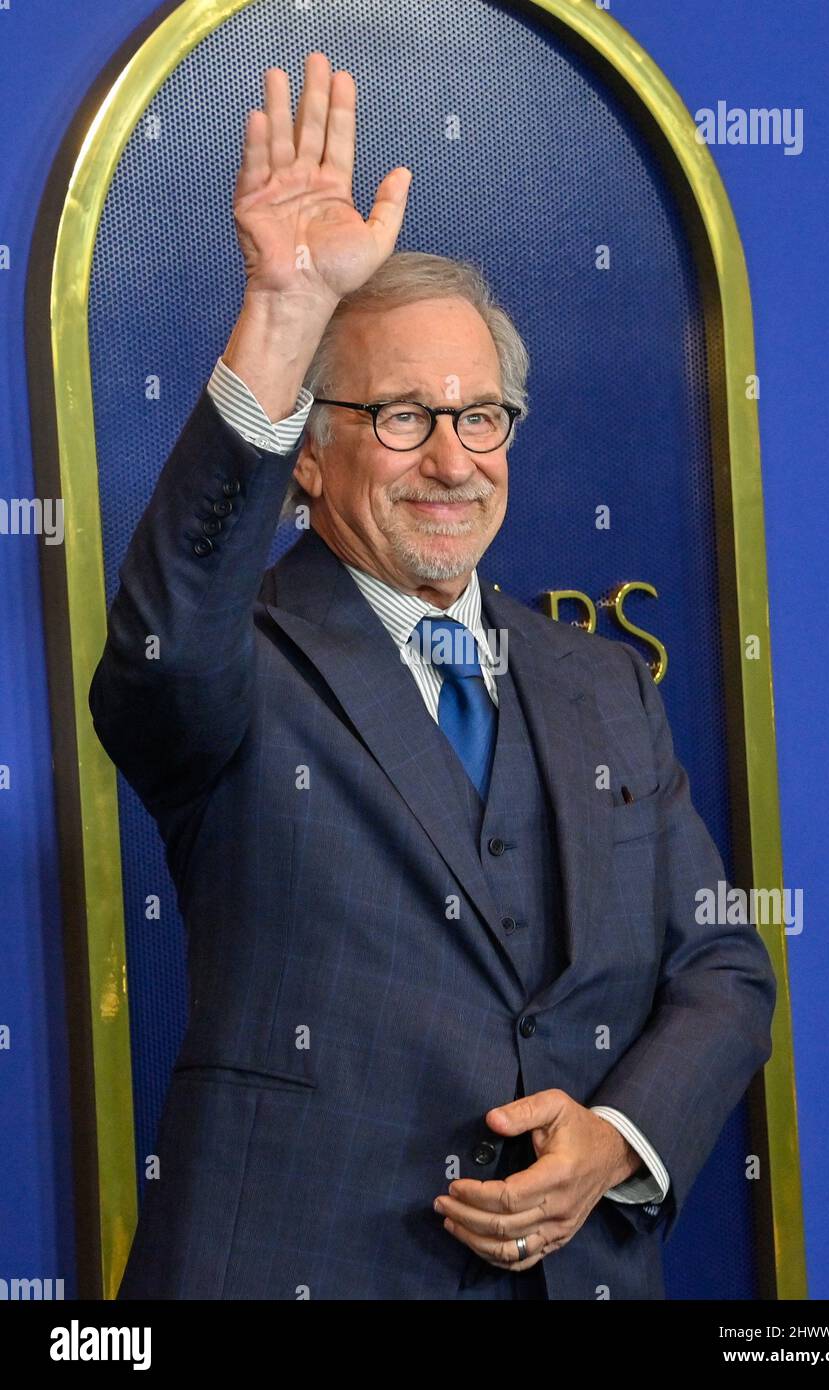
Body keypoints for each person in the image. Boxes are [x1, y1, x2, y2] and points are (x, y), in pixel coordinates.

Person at [91, 51, 776, 1300]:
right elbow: (156, 650)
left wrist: (614, 1142)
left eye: (479, 416)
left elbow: (719, 964)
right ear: (306, 453)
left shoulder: (602, 683)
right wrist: (284, 313)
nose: (450, 460)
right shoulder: (232, 657)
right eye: (400, 416)